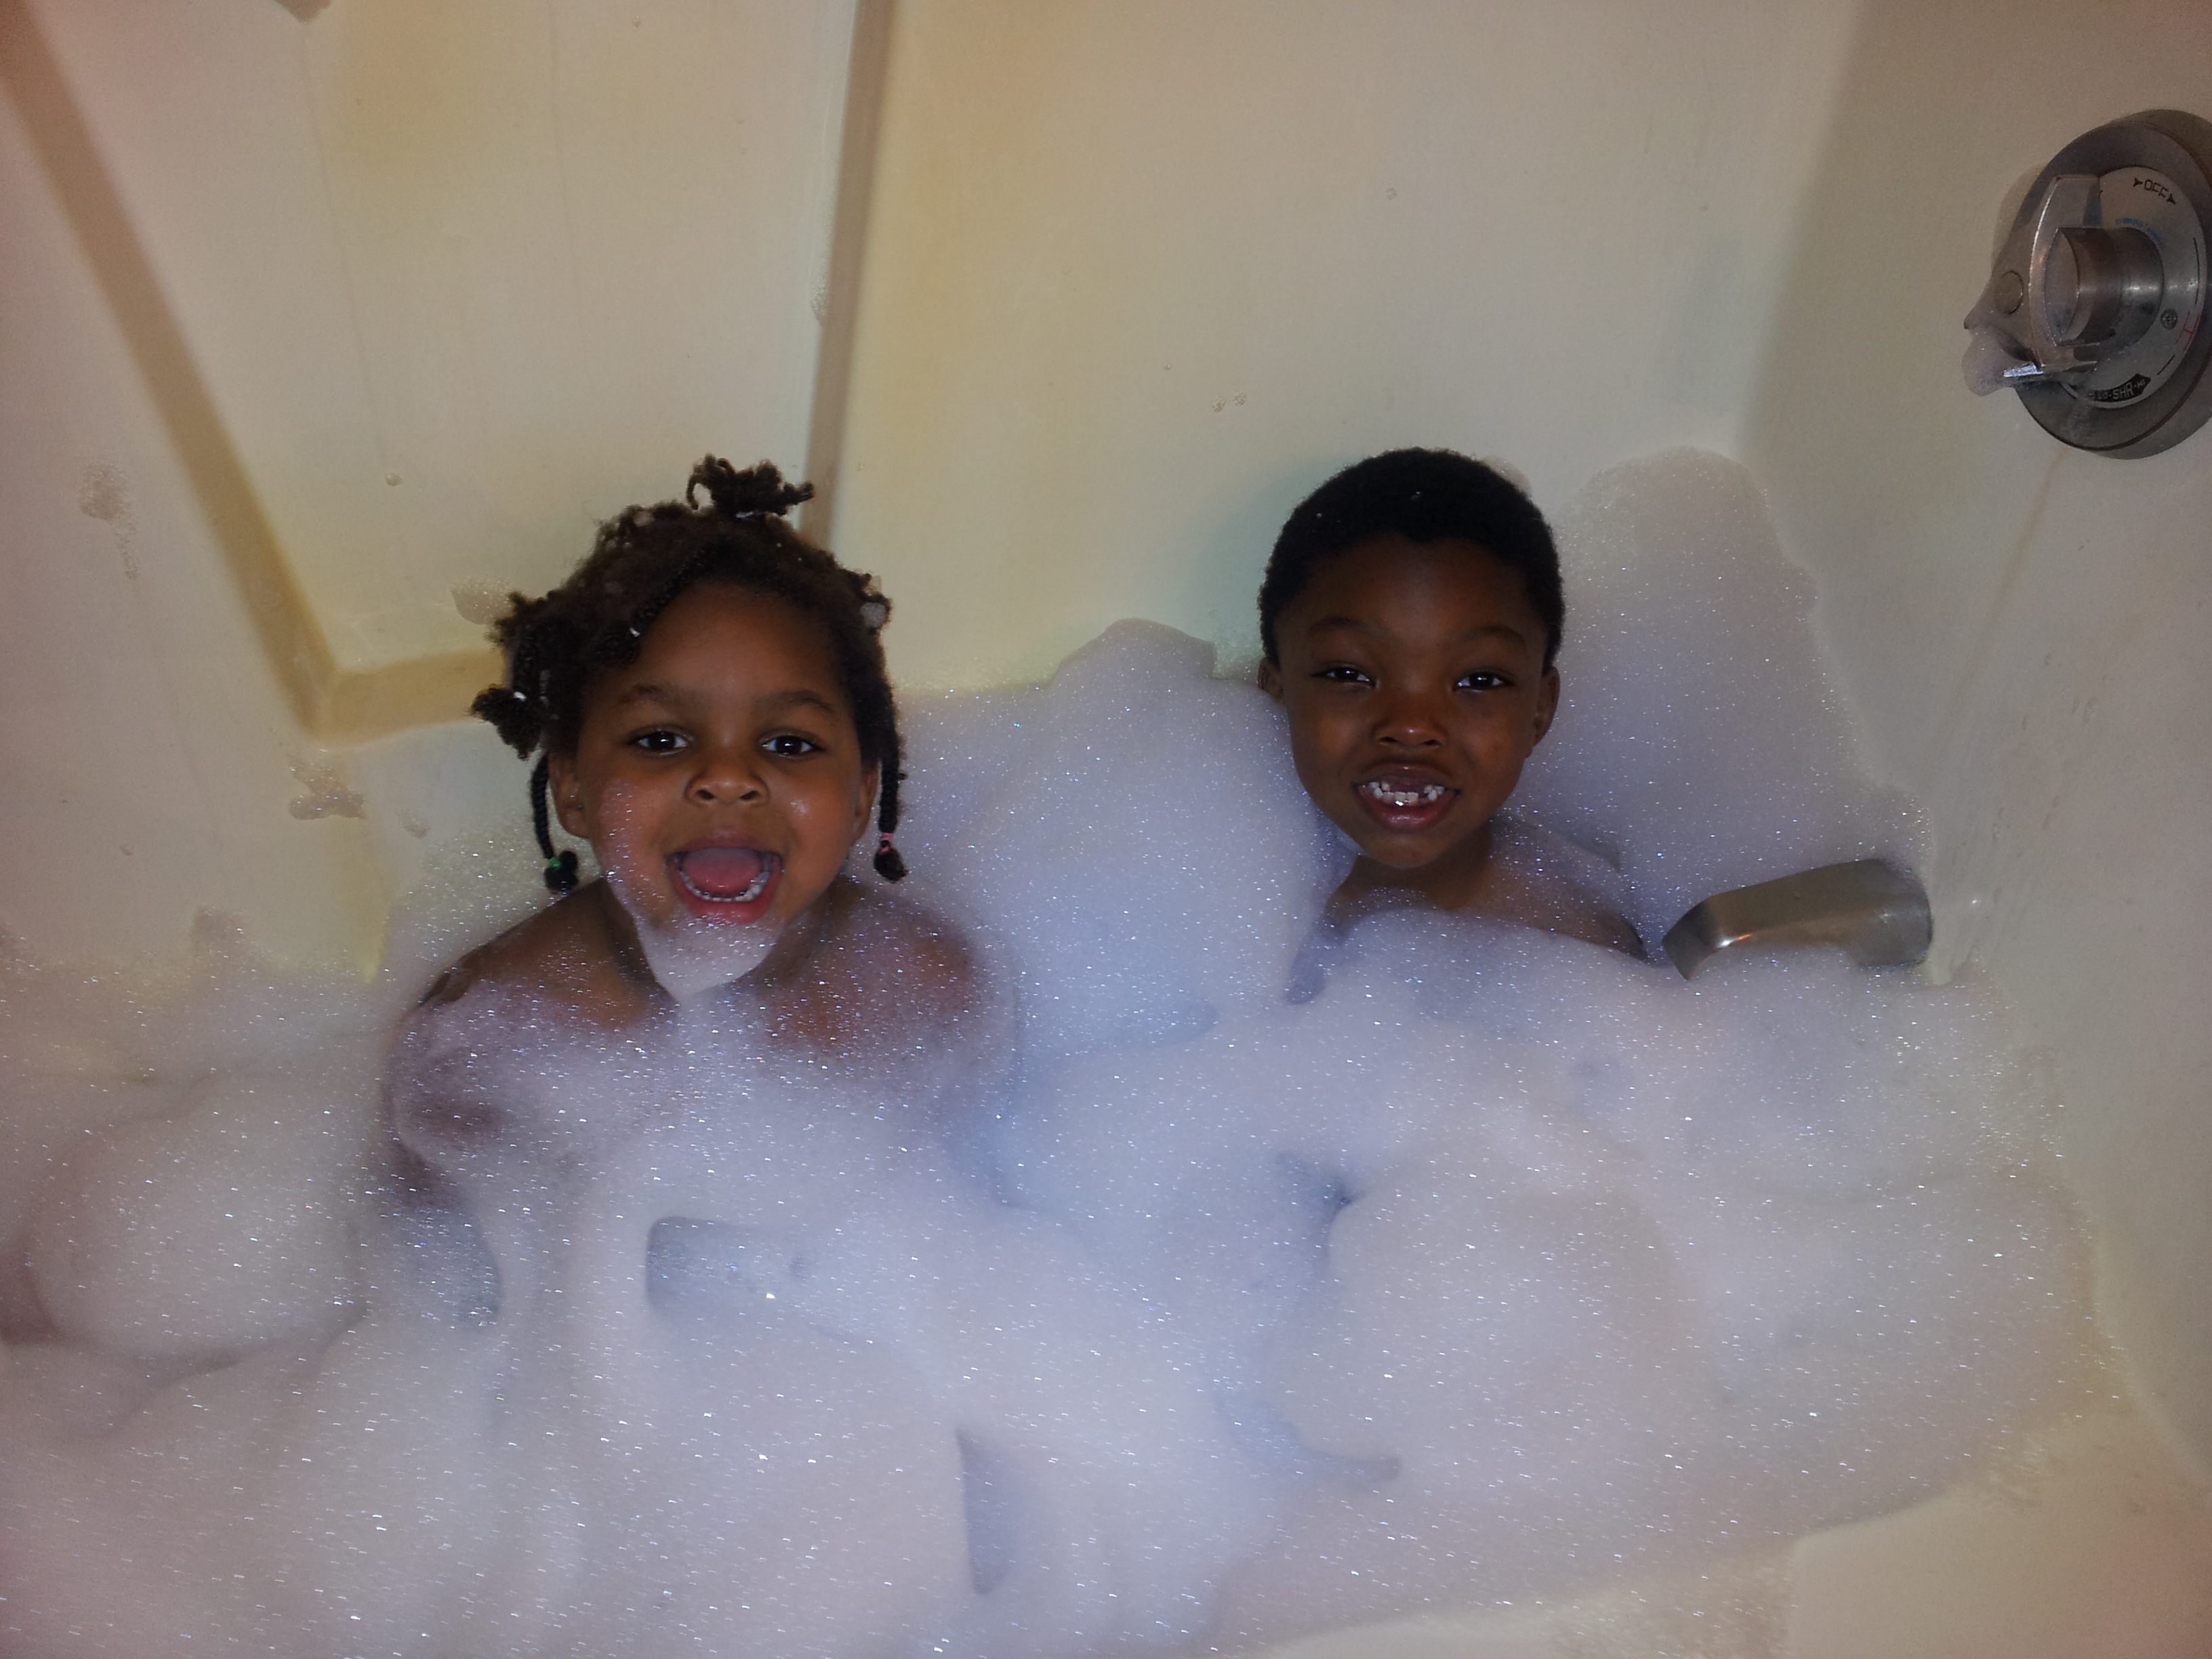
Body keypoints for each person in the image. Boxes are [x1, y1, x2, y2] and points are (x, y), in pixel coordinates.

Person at [391, 457, 977, 1172]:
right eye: (661, 740)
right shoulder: (485, 1035)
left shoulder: (927, 983)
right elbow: (422, 1235)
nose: (727, 778)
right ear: (572, 789)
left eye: (790, 744)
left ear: (862, 796)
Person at [1258, 447, 1641, 956]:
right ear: (1276, 692)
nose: (1412, 726)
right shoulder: (1211, 924)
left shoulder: (1588, 948)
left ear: (1539, 711)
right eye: (1349, 674)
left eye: (1479, 679)